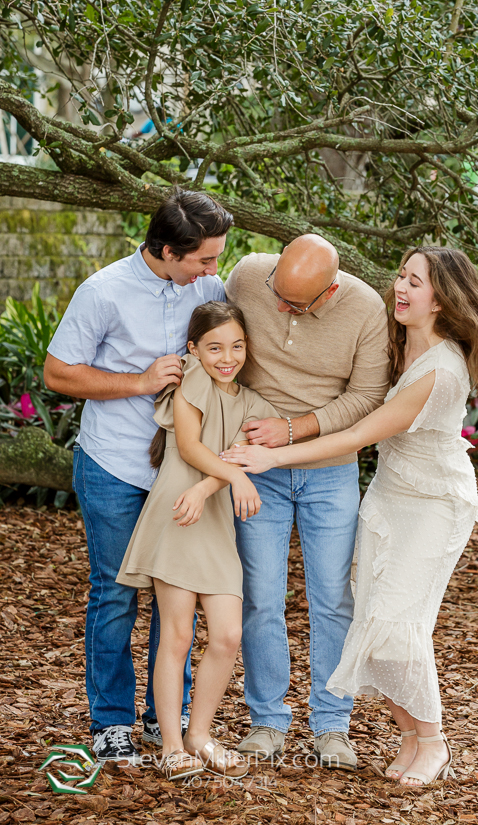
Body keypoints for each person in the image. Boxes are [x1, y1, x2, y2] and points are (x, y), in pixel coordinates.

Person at [222, 246, 478, 785]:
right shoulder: (400, 337)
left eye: (417, 282)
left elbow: (361, 430)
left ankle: (427, 740)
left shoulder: (440, 368)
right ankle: (406, 738)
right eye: (402, 275)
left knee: (397, 623)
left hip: (429, 503)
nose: (401, 287)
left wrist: (276, 450)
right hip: (388, 494)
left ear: (444, 298)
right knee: (370, 617)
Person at [44, 189, 233, 763]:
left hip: (181, 471)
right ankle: (111, 723)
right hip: (115, 464)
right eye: (203, 259)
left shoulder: (208, 288)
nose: (213, 271)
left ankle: (162, 718)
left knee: (177, 603)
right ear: (168, 250)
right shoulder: (103, 292)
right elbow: (57, 373)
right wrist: (139, 381)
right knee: (118, 592)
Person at [224, 234, 390, 770]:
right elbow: (216, 347)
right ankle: (267, 721)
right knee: (261, 597)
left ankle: (332, 724)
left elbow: (367, 398)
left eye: (294, 304)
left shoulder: (366, 309)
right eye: (278, 292)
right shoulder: (250, 274)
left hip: (328, 472)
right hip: (255, 470)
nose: (277, 307)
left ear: (329, 292)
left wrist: (293, 429)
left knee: (333, 599)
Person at [116, 302, 279, 780]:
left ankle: (199, 735)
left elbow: (245, 454)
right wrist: (232, 476)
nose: (226, 357)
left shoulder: (250, 401)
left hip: (211, 517)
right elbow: (190, 447)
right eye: (214, 347)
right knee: (179, 634)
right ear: (193, 349)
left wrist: (217, 483)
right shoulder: (192, 380)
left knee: (228, 635)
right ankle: (171, 744)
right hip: (178, 514)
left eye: (236, 346)